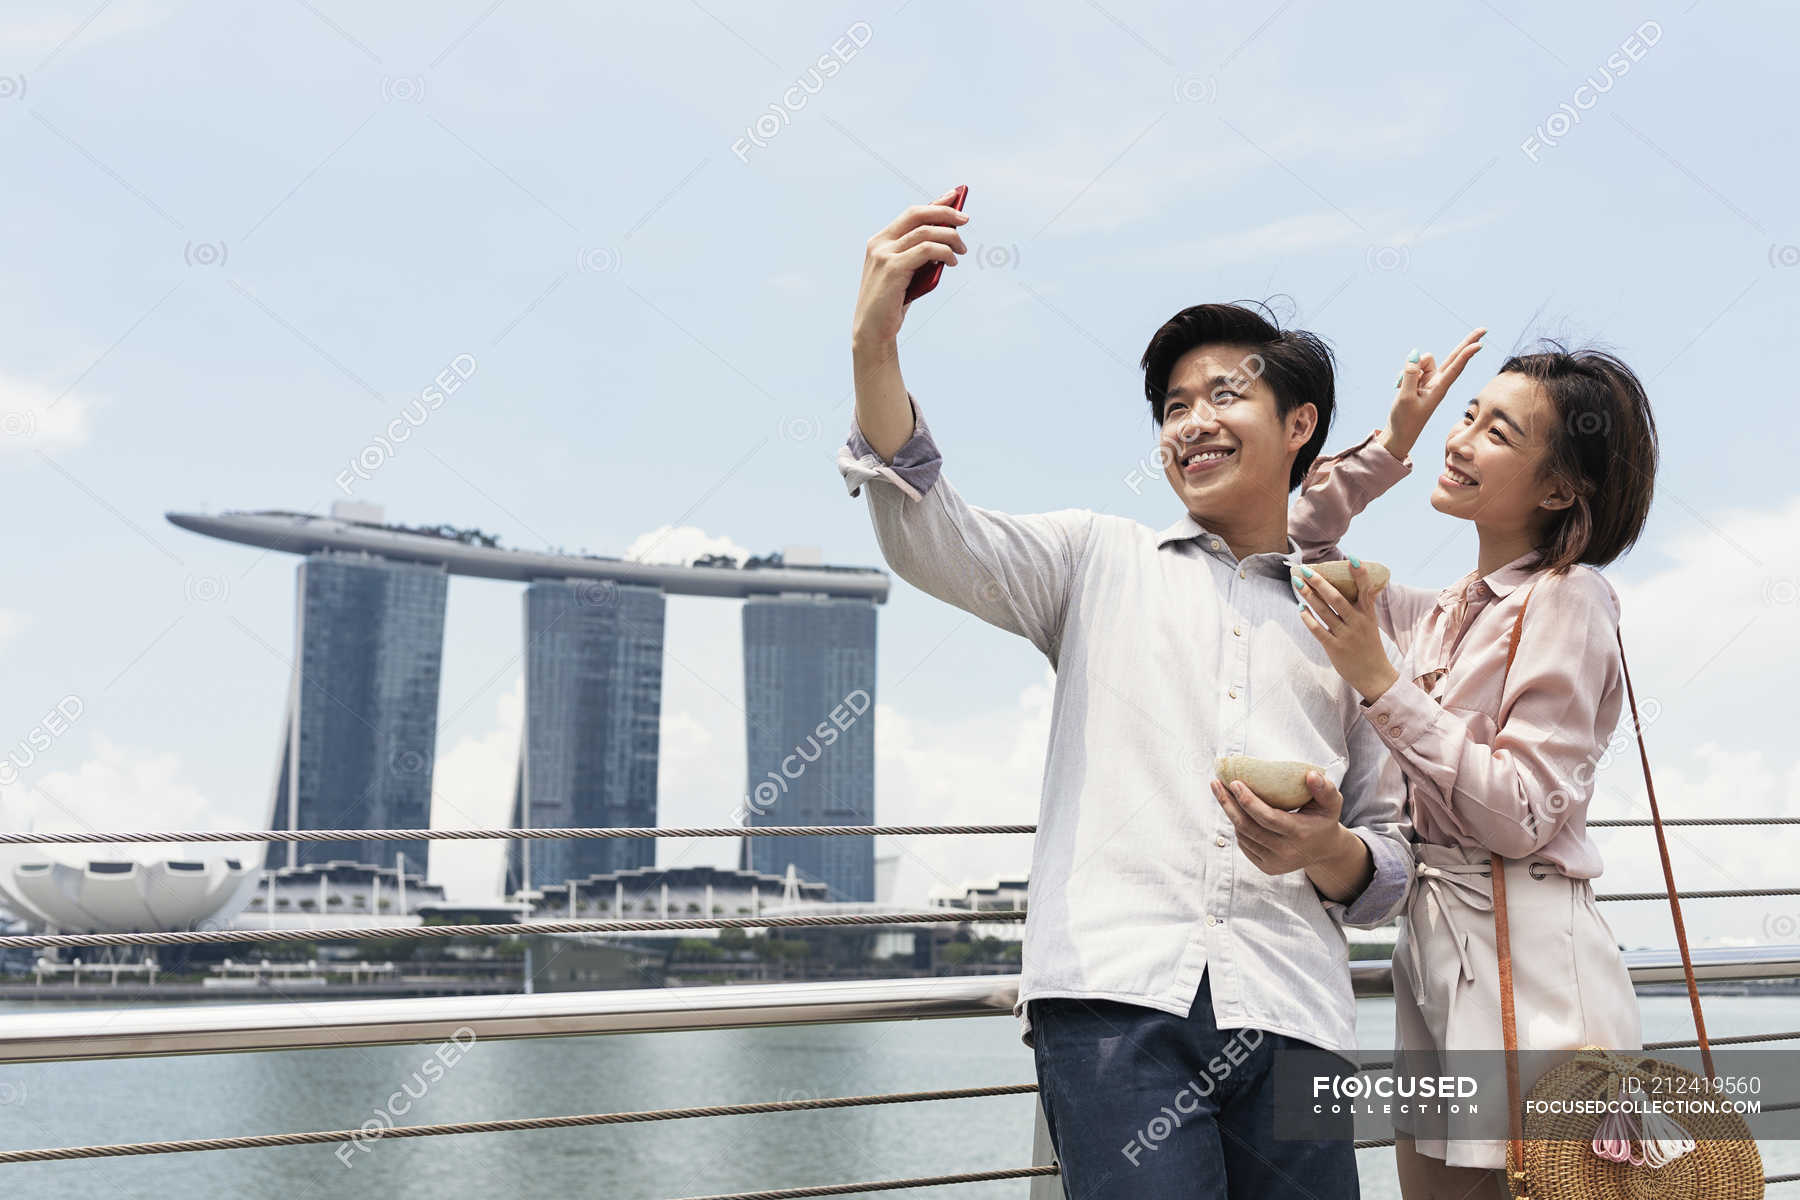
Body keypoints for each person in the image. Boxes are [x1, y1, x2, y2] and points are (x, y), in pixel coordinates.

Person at [839, 190, 1413, 1200]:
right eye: (1173, 407)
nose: (1192, 422)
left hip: (1297, 1012)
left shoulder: (1352, 621)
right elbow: (927, 528)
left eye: (1224, 396)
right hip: (1114, 1004)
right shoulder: (1094, 560)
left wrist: (1326, 850)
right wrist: (874, 347)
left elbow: (1390, 858)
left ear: (1299, 424)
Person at [1286, 330, 1655, 1198]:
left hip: (1532, 969)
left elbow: (1520, 813)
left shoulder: (1568, 600)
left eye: (1499, 433)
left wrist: (1380, 683)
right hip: (1436, 950)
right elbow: (1302, 539)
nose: (1462, 440)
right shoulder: (1444, 610)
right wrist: (1396, 440)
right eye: (1467, 416)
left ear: (1562, 487)